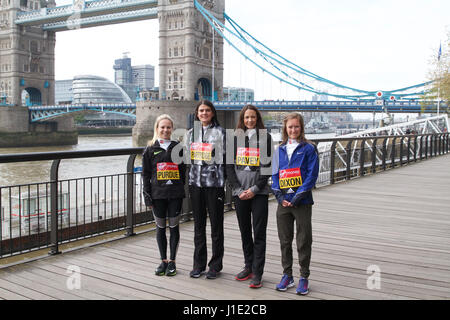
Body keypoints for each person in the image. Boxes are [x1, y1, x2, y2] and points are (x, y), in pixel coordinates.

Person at [271, 113, 319, 295]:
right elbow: (275, 175)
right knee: (285, 240)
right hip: (283, 202)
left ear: (301, 128)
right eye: (290, 127)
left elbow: (311, 175)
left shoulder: (309, 149)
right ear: (285, 129)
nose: (293, 130)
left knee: (304, 240)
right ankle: (287, 275)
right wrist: (278, 196)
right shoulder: (279, 150)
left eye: (296, 127)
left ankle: (304, 277)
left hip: (302, 202)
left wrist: (298, 197)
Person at [226, 104, 272, 289]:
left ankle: (258, 272)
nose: (250, 120)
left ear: (257, 118)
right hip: (240, 194)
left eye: (253, 117)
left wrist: (254, 188)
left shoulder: (265, 138)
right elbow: (229, 166)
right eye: (246, 117)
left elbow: (267, 168)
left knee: (258, 233)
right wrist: (237, 189)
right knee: (245, 232)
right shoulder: (234, 138)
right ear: (242, 119)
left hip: (258, 192)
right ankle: (248, 266)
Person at [186, 100, 226, 279]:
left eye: (207, 110)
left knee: (216, 226)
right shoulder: (189, 134)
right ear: (197, 113)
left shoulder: (222, 133)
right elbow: (188, 158)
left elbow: (227, 158)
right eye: (201, 110)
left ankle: (215, 266)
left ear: (212, 113)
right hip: (196, 185)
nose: (204, 113)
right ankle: (198, 264)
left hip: (214, 186)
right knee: (198, 226)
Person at [142, 114, 186, 277]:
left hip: (174, 194)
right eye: (162, 127)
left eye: (168, 127)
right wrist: (147, 195)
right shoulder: (149, 149)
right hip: (157, 195)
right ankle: (163, 261)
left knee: (174, 227)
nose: (165, 130)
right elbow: (145, 174)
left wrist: (180, 189)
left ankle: (173, 262)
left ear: (172, 129)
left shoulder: (178, 148)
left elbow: (183, 172)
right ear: (157, 129)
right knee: (160, 228)